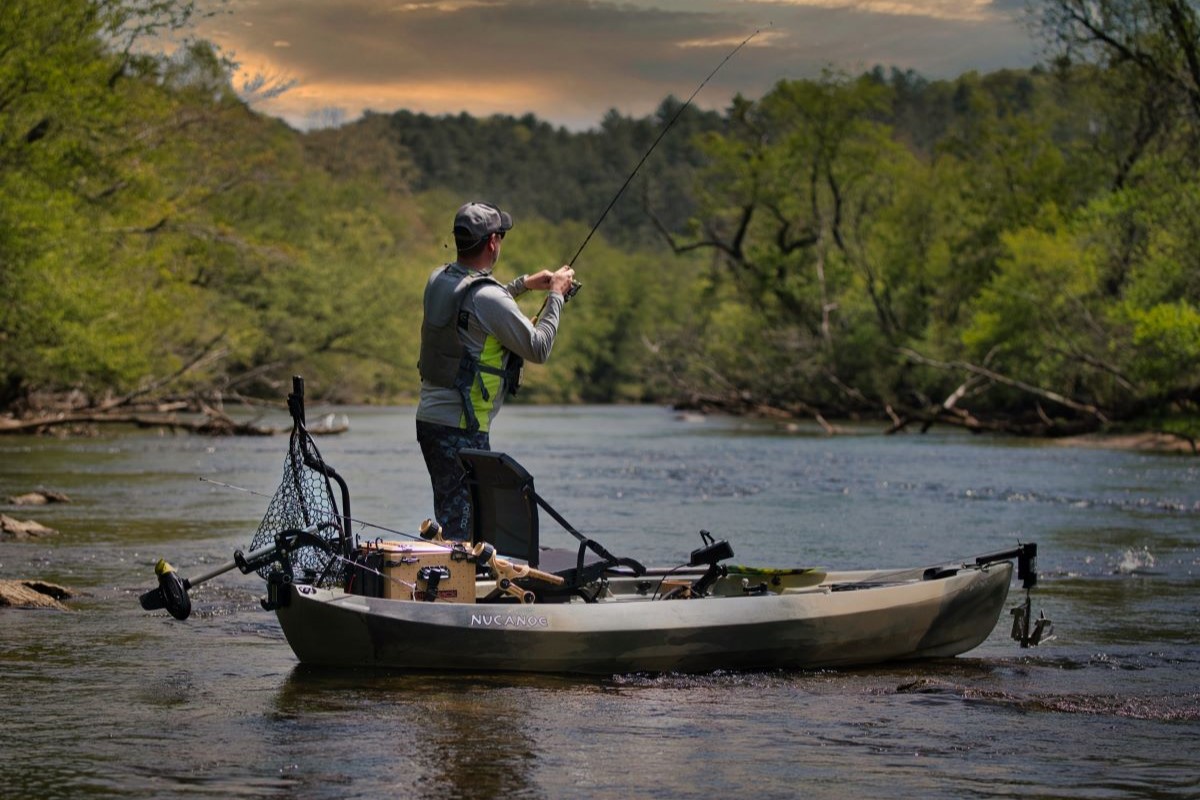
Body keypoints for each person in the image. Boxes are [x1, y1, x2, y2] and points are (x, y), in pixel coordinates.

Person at [415, 201, 575, 539]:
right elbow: (538, 347)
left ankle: (445, 581)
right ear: (492, 243)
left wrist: (523, 285)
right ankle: (455, 589)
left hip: (430, 421)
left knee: (453, 516)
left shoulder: (438, 280)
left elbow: (474, 300)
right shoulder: (488, 297)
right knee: (466, 529)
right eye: (500, 236)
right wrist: (557, 296)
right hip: (461, 429)